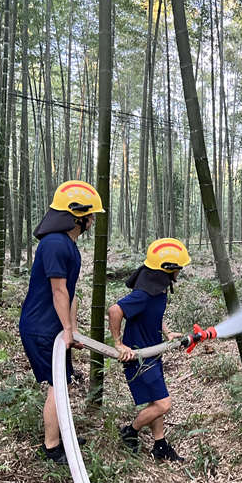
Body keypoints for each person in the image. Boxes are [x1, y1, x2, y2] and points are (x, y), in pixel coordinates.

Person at [19, 180, 104, 464]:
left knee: (63, 383)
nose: (93, 221)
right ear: (78, 216)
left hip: (53, 326)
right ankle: (52, 447)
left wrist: (73, 329)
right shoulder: (55, 244)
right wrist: (66, 329)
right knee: (58, 386)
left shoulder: (67, 245)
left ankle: (62, 435)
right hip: (42, 327)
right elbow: (58, 291)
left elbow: (70, 292)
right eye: (90, 215)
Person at [108, 238, 190, 462]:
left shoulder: (158, 289)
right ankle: (130, 431)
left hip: (152, 353)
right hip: (139, 357)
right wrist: (118, 343)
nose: (180, 271)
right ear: (168, 269)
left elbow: (152, 315)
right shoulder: (143, 294)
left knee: (156, 401)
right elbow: (114, 310)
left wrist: (167, 332)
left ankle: (159, 445)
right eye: (179, 268)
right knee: (164, 404)